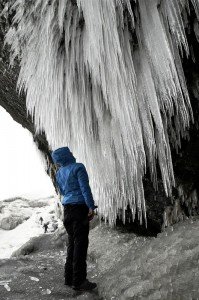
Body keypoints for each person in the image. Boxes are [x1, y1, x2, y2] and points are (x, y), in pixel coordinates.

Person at [51, 147, 97, 291]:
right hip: (79, 208)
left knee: (72, 244)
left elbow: (63, 192)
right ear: (66, 156)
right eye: (70, 153)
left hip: (67, 211)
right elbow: (85, 188)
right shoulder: (78, 167)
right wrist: (90, 206)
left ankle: (69, 278)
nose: (72, 154)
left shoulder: (58, 173)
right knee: (80, 245)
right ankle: (79, 281)